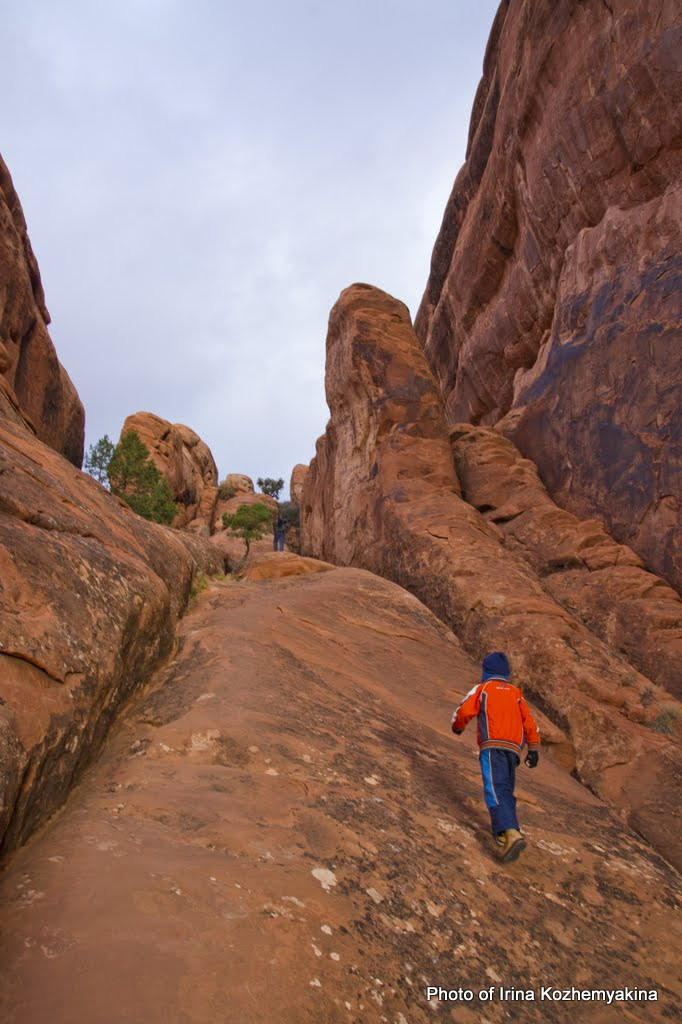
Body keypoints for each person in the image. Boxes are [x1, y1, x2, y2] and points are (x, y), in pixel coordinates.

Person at [451, 651, 540, 862]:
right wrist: (533, 749)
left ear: (486, 672)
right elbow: (530, 723)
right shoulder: (516, 694)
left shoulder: (484, 689)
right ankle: (507, 832)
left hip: (492, 746)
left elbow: (464, 711)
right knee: (505, 789)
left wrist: (457, 727)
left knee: (494, 788)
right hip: (514, 750)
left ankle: (509, 833)